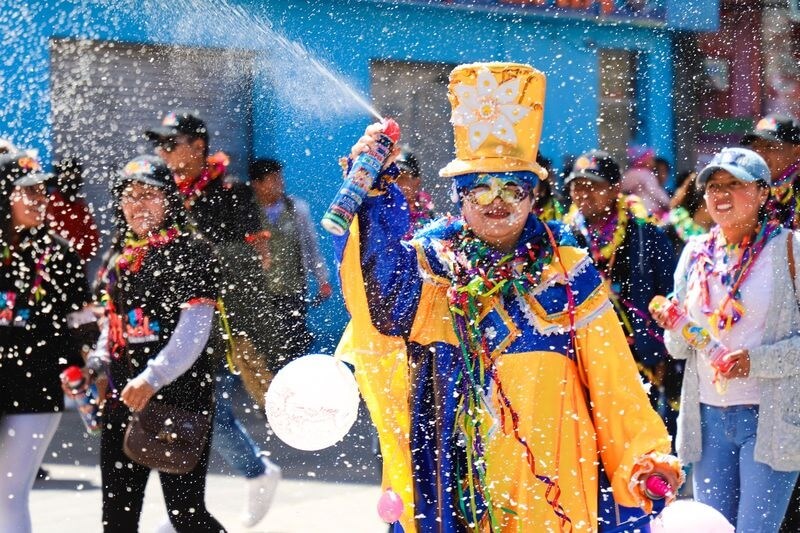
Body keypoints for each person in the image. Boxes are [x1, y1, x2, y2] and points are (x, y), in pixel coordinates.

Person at [334, 62, 681, 532]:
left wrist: (643, 457)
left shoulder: (569, 273)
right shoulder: (435, 269)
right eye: (479, 187)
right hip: (457, 488)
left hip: (550, 492)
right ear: (458, 195)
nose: (495, 200)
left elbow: (614, 386)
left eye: (512, 187)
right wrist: (375, 197)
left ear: (534, 195)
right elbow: (384, 302)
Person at [145, 110, 280, 529]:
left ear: (199, 147)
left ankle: (245, 477)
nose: (162, 152)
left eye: (171, 143)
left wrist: (202, 265)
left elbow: (255, 261)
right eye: (160, 144)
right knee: (196, 407)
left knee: (204, 407)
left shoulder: (233, 194)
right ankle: (188, 508)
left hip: (219, 319)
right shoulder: (164, 191)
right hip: (176, 317)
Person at [654, 147, 800, 532]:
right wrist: (673, 324)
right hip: (707, 418)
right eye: (713, 185)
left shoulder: (790, 250)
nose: (720, 194)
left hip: (769, 417)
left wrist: (757, 360)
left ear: (763, 193)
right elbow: (678, 349)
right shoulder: (695, 252)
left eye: (734, 184)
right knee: (713, 528)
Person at [87, 155, 225, 532]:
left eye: (149, 194)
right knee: (116, 516)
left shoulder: (193, 253)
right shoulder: (120, 258)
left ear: (169, 200)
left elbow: (194, 331)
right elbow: (112, 324)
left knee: (186, 515)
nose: (138, 204)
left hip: (180, 401)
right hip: (123, 402)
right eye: (130, 196)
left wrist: (152, 377)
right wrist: (98, 362)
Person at [0, 152, 95, 532]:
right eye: (29, 193)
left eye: (43, 192)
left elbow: (80, 321)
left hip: (36, 384)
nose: (40, 201)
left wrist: (84, 366)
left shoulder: (60, 253)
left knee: (9, 493)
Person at [563, 150, 678, 438]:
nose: (584, 194)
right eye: (577, 186)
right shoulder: (562, 239)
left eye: (594, 186)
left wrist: (664, 350)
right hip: (580, 359)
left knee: (638, 442)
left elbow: (671, 293)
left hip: (637, 359)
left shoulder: (646, 235)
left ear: (615, 189)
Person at [248, 158, 332, 356]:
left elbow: (311, 247)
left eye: (279, 178)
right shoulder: (248, 212)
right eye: (273, 179)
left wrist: (322, 279)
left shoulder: (296, 209)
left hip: (292, 290)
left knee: (294, 341)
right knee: (264, 345)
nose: (280, 183)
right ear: (257, 184)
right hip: (261, 293)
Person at [741, 114, 800, 230]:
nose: (760, 155)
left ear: (797, 151)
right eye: (755, 147)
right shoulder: (753, 191)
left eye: (769, 146)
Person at [45, 157, 100, 261]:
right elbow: (50, 239)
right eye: (68, 176)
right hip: (54, 265)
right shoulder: (51, 204)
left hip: (77, 266)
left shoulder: (80, 205)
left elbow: (93, 242)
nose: (73, 180)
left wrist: (77, 256)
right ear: (59, 179)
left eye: (76, 176)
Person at [621, 145, 670, 216]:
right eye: (651, 159)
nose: (653, 162)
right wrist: (667, 202)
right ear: (643, 160)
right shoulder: (646, 175)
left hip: (634, 209)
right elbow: (655, 191)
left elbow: (624, 187)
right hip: (647, 209)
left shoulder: (630, 173)